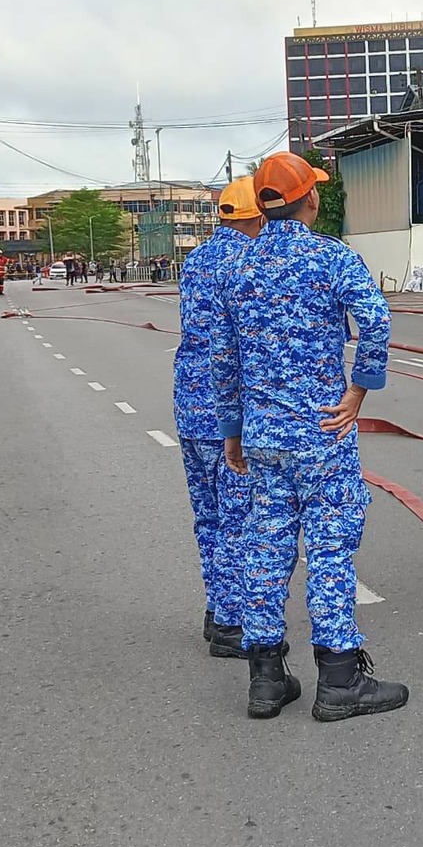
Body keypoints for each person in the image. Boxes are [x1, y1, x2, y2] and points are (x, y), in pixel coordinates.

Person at [213, 151, 407, 722]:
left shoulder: (238, 269)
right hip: (322, 433)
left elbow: (223, 357)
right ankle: (340, 680)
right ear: (311, 198)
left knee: (267, 548)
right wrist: (360, 389)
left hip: (263, 438)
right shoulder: (332, 259)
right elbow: (375, 320)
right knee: (329, 549)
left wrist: (232, 432)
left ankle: (267, 680)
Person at [173, 178, 263, 659]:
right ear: (257, 215)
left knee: (209, 518)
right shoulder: (248, 261)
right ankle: (231, 621)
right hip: (227, 412)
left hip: (189, 404)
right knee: (238, 519)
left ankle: (216, 608)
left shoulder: (197, 259)